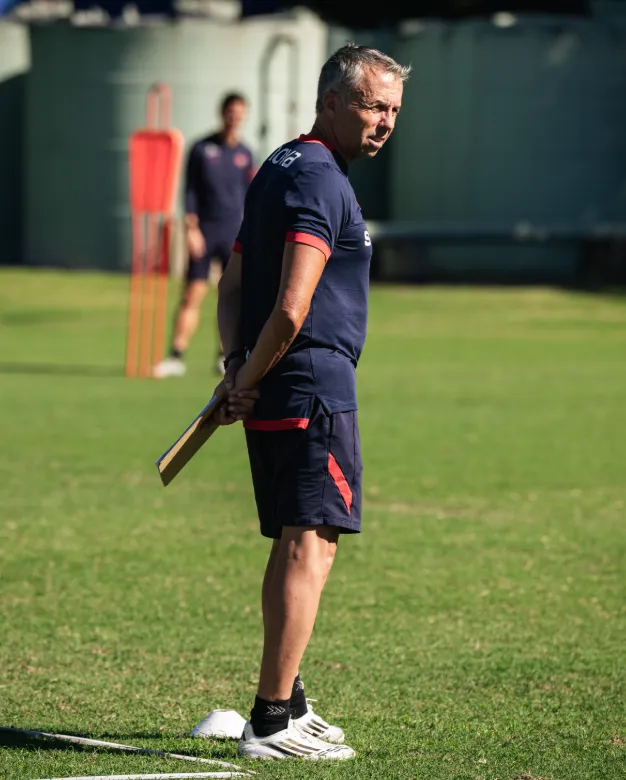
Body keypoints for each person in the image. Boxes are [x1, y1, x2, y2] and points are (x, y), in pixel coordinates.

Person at [214, 43, 410, 760]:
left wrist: (238, 367)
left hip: (272, 381)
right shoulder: (326, 182)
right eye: (372, 107)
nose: (386, 122)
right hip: (310, 384)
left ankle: (287, 699)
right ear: (331, 101)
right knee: (311, 543)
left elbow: (233, 288)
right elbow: (292, 308)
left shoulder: (277, 167)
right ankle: (271, 720)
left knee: (297, 539)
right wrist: (249, 372)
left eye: (393, 110)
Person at [153, 93, 255, 379]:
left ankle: (225, 357)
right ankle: (176, 356)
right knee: (192, 294)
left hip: (234, 233)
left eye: (240, 113)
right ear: (222, 113)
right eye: (230, 112)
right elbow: (189, 193)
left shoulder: (246, 154)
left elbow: (251, 197)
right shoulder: (202, 149)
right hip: (205, 231)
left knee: (232, 298)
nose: (234, 118)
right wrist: (191, 229)